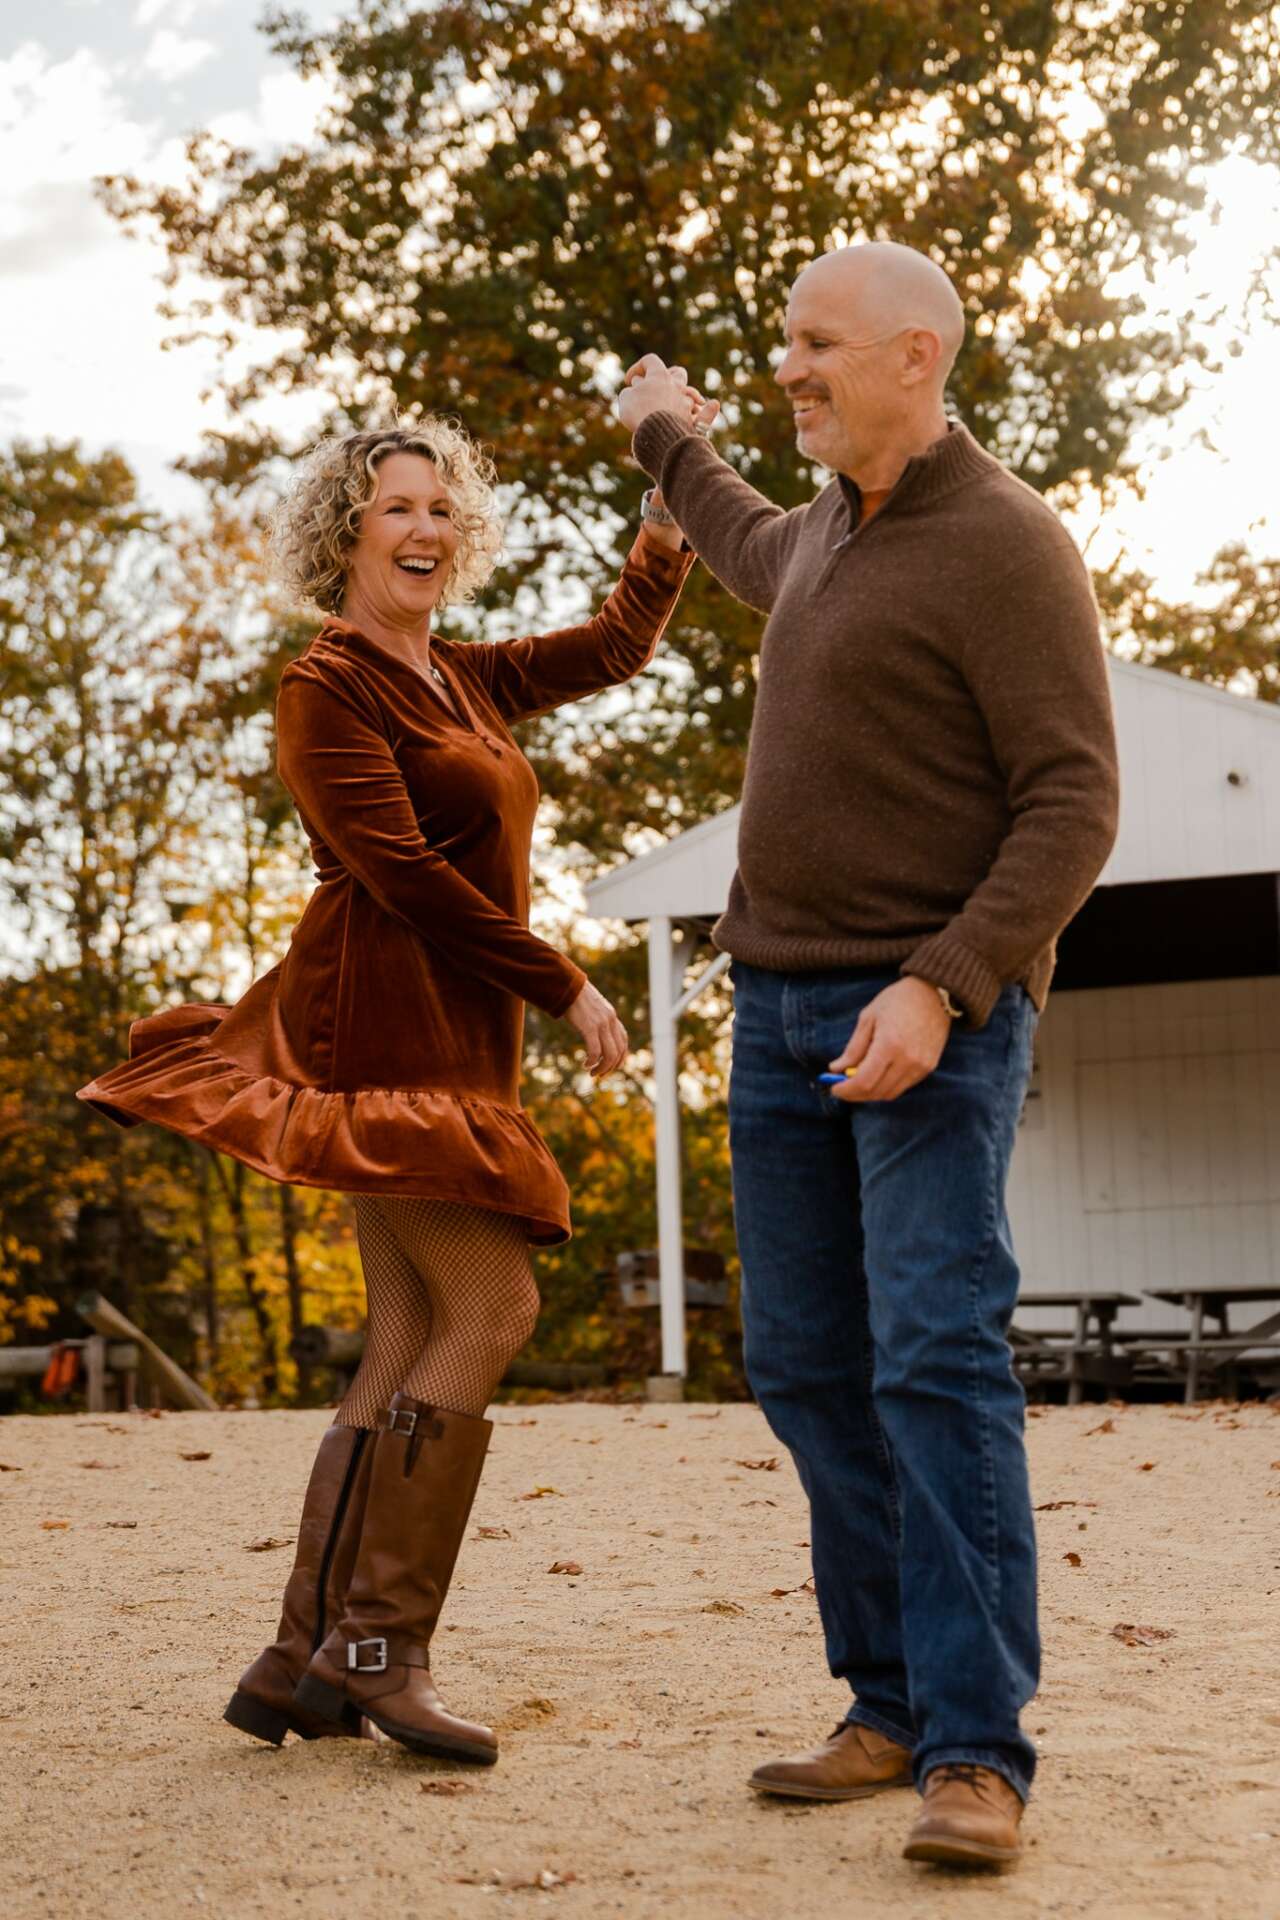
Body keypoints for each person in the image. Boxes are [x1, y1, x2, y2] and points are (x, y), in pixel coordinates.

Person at [78, 418, 693, 1764]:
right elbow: (405, 872)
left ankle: (302, 1655)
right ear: (345, 534)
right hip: (381, 1037)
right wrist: (567, 983)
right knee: (496, 1305)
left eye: (440, 509)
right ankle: (378, 1652)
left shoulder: (459, 677)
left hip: (458, 1041)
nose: (424, 529)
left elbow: (612, 648)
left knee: (412, 1327)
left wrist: (669, 503)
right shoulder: (327, 686)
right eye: (396, 508)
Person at [618, 241, 1119, 1869]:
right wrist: (662, 430)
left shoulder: (1006, 543)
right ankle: (888, 1702)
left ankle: (977, 1752)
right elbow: (735, 529)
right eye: (783, 342)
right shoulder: (826, 532)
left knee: (934, 1362)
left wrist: (945, 984)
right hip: (777, 1018)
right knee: (809, 1367)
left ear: (918, 356)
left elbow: (1075, 802)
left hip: (926, 1024)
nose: (790, 367)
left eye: (818, 344)